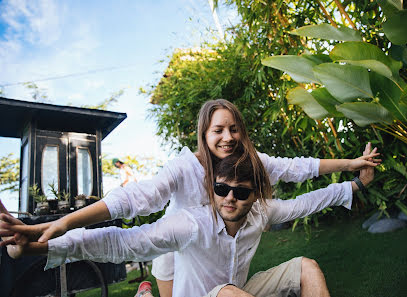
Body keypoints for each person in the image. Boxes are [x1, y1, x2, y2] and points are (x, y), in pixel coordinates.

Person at [0, 99, 380, 297]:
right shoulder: (184, 175)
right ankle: (147, 289)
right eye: (218, 130)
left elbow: (302, 179)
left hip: (226, 278)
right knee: (169, 261)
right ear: (204, 134)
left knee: (303, 267)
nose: (231, 196)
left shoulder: (255, 180)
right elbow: (128, 222)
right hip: (179, 246)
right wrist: (54, 229)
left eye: (234, 130)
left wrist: (355, 173)